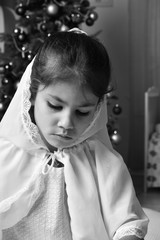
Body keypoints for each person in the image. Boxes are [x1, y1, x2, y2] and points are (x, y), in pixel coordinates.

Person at [0, 28, 148, 240]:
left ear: (97, 109)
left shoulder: (103, 162)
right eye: (54, 105)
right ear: (32, 94)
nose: (67, 123)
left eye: (82, 112)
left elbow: (128, 223)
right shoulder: (5, 153)